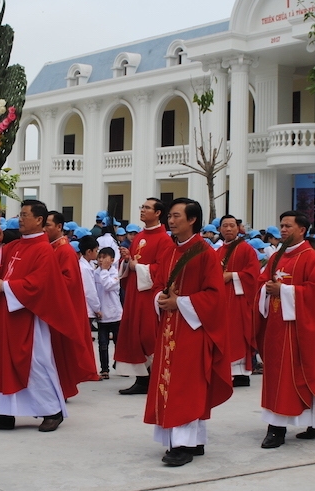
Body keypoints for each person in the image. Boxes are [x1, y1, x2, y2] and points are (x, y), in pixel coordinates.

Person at [0, 200, 95, 432]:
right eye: (19, 215)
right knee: (5, 363)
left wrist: (7, 287)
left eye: (24, 215)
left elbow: (41, 284)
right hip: (8, 316)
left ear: (39, 220)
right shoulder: (16, 246)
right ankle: (4, 414)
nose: (20, 219)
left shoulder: (43, 249)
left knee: (35, 365)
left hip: (29, 319)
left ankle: (52, 411)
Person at [144, 198, 231, 467]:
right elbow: (159, 284)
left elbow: (215, 297)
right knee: (171, 384)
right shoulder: (169, 251)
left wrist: (179, 302)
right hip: (169, 329)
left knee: (185, 387)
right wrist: (161, 298)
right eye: (169, 216)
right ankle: (192, 439)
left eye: (176, 216)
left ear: (192, 219)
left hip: (193, 331)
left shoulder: (205, 253)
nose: (171, 220)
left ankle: (183, 444)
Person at [258, 210, 315, 449]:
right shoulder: (277, 256)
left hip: (297, 330)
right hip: (275, 325)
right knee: (276, 376)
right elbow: (262, 282)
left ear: (302, 230)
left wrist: (283, 291)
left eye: (288, 226)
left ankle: (277, 428)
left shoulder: (310, 257)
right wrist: (268, 289)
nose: (282, 229)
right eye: (281, 225)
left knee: (294, 375)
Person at [115, 197, 172, 395]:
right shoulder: (139, 236)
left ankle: (153, 377)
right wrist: (126, 259)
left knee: (148, 334)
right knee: (134, 333)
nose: (142, 210)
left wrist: (135, 266)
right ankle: (141, 378)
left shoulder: (164, 239)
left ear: (157, 213)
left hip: (149, 295)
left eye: (147, 208)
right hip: (134, 292)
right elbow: (131, 264)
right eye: (142, 207)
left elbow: (162, 269)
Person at [43, 210, 98, 390]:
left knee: (61, 352)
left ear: (59, 227)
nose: (44, 228)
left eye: (48, 225)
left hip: (60, 309)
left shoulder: (65, 250)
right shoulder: (51, 247)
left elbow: (69, 282)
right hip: (51, 307)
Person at [217, 214, 261, 387]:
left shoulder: (246, 249)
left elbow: (253, 274)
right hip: (222, 301)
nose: (228, 229)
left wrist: (232, 276)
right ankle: (227, 371)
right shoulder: (218, 251)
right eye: (225, 226)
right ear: (220, 229)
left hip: (239, 300)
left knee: (238, 333)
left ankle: (242, 373)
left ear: (238, 228)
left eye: (232, 226)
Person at [94, 246, 122, 380]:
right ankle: (104, 369)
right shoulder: (96, 273)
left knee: (119, 343)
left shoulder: (116, 273)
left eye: (104, 257)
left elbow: (108, 285)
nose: (101, 260)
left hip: (116, 314)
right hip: (102, 315)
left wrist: (104, 270)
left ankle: (120, 364)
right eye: (99, 257)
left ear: (112, 260)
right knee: (103, 344)